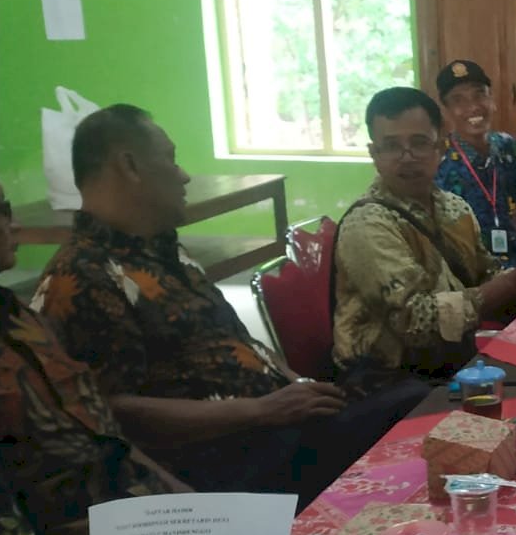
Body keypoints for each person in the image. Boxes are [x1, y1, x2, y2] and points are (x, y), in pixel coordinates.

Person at [32, 104, 426, 506]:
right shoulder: (82, 278)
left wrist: (296, 385)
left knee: (418, 393)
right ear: (130, 166)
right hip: (231, 464)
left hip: (279, 426)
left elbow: (238, 343)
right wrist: (260, 410)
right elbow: (114, 414)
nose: (183, 175)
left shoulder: (159, 250)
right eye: (170, 159)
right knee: (415, 407)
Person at [333, 87, 516, 381]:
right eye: (392, 146)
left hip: (455, 360)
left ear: (440, 149)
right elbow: (417, 323)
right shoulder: (368, 225)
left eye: (420, 143)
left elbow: (487, 275)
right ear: (374, 154)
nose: (407, 158)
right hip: (391, 379)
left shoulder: (453, 207)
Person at [0, 177, 181, 535]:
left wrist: (176, 492)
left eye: (8, 209)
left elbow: (103, 433)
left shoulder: (20, 317)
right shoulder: (80, 273)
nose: (11, 225)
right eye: (0, 212)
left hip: (132, 511)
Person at [432, 59, 516, 266]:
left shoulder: (510, 148)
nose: (472, 107)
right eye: (458, 100)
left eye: (479, 94)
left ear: (492, 100)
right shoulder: (439, 166)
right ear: (446, 111)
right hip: (478, 282)